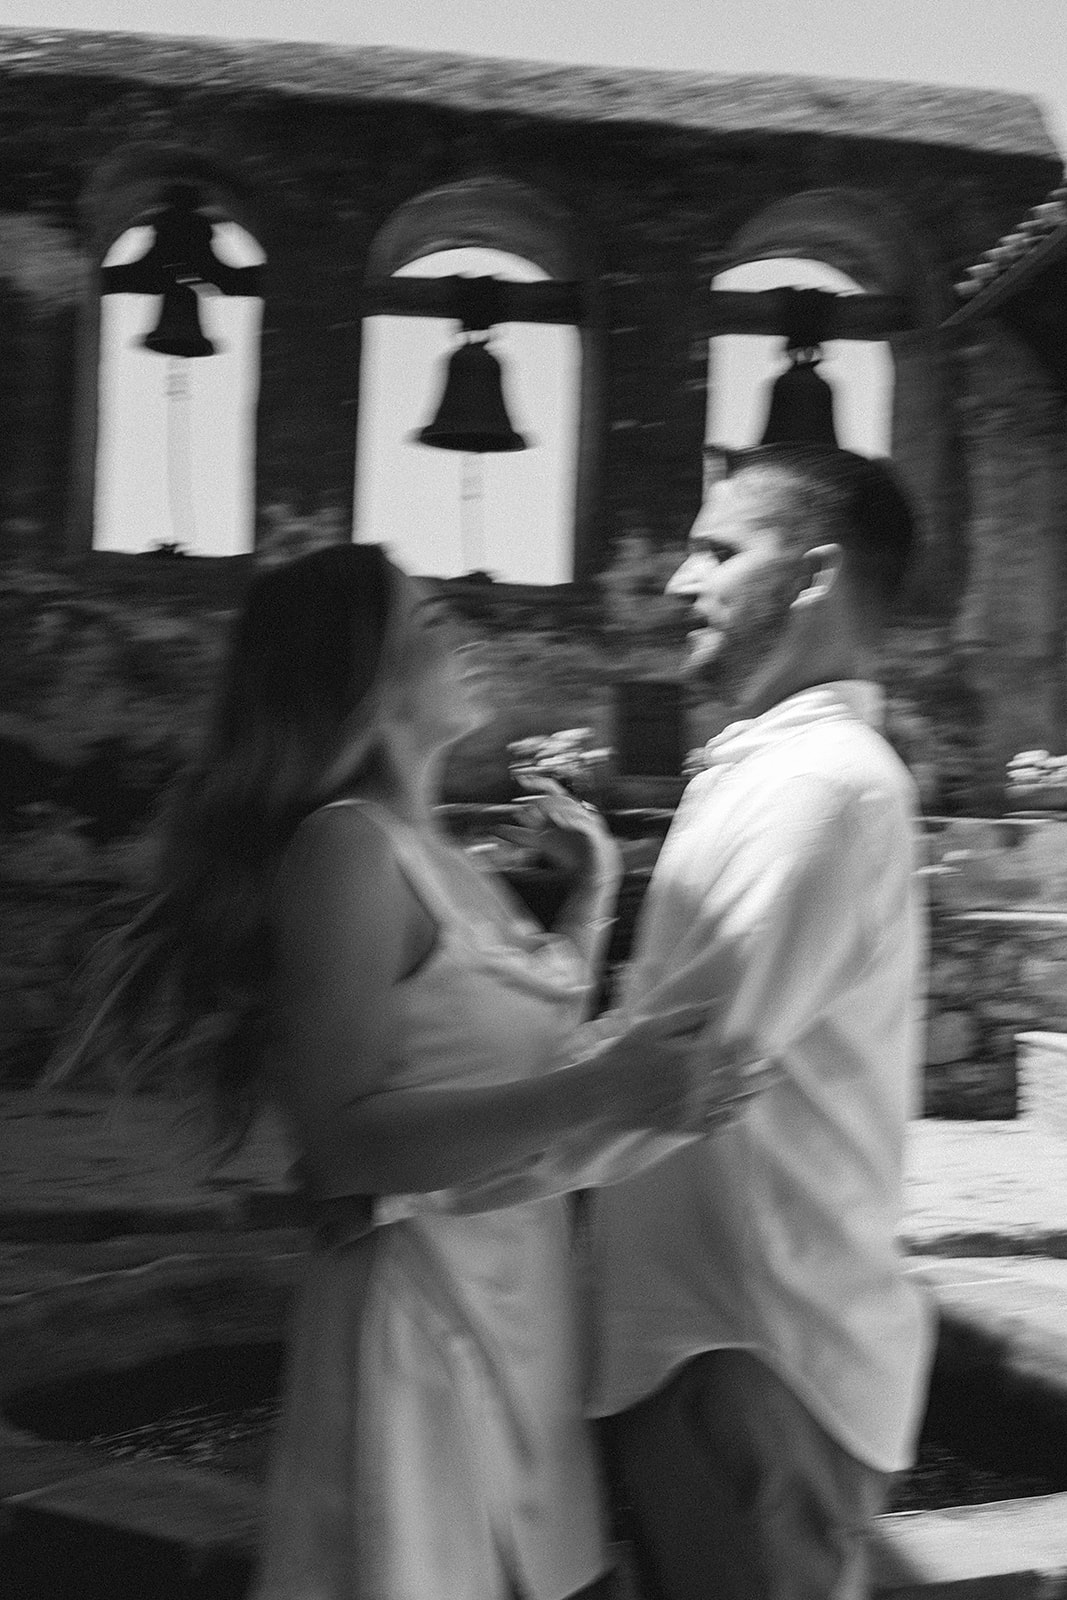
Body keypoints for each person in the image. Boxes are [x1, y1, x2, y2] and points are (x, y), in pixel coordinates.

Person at [46, 541, 748, 1600]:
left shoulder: (445, 859)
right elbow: (342, 1147)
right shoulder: (344, 849)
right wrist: (606, 1089)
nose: (457, 636)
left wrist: (593, 888)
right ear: (356, 672)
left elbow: (522, 1053)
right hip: (423, 1322)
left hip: (525, 1302)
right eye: (424, 623)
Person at [587, 444, 936, 1600]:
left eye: (716, 550)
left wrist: (427, 1158)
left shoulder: (817, 787)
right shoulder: (769, 769)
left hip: (744, 1356)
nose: (678, 581)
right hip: (705, 1343)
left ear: (812, 574)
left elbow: (677, 1071)